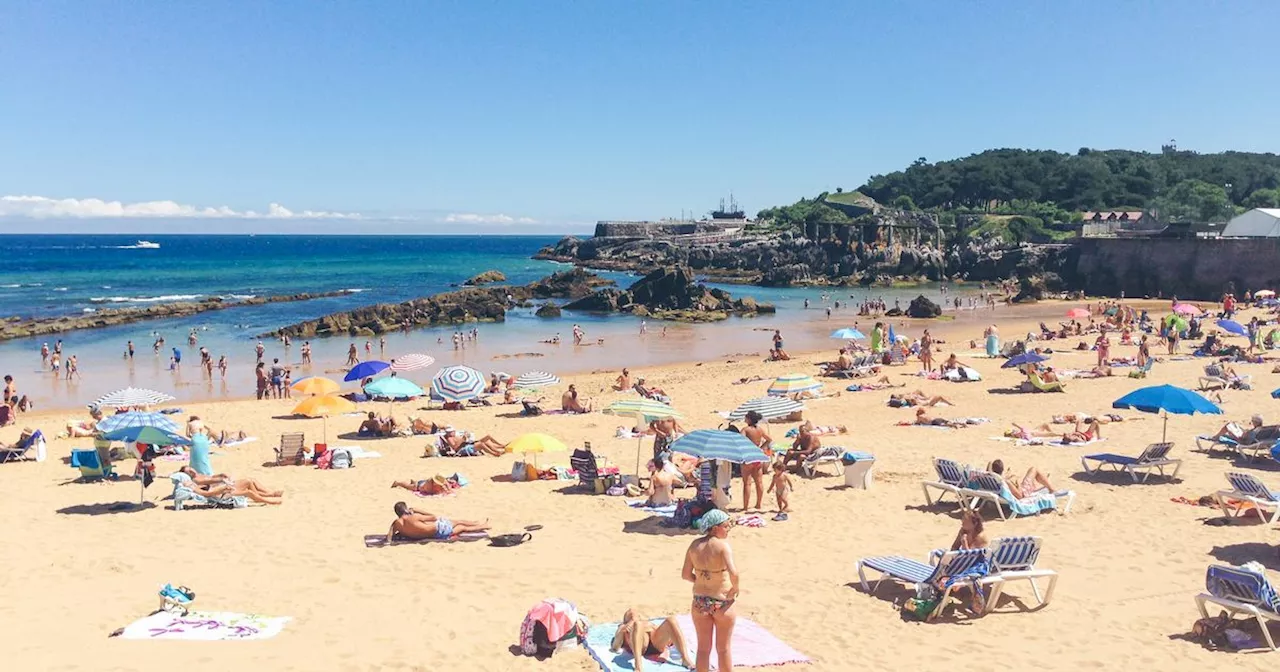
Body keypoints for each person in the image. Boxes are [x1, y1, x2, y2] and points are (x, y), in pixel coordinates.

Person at [682, 509, 738, 672]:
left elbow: (685, 574)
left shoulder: (694, 546)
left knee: (703, 649)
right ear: (715, 528)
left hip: (700, 601)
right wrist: (735, 588)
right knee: (724, 649)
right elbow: (734, 573)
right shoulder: (722, 546)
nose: (728, 529)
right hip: (722, 601)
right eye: (726, 526)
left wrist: (699, 579)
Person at [610, 608, 694, 672]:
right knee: (637, 625)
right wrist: (623, 630)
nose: (633, 613)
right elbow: (615, 647)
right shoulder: (623, 628)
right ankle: (638, 665)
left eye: (636, 614)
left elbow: (667, 636)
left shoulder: (647, 623)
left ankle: (685, 659)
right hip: (640, 647)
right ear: (625, 619)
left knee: (670, 620)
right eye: (630, 614)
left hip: (655, 643)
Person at [387, 502, 490, 542]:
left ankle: (478, 524)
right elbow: (433, 517)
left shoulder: (396, 523)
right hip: (439, 531)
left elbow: (389, 537)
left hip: (427, 535)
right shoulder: (414, 517)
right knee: (461, 525)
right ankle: (481, 525)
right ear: (406, 509)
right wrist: (417, 510)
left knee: (460, 526)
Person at [177, 466, 283, 501]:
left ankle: (269, 493)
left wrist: (221, 474)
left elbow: (212, 477)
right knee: (248, 481)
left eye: (190, 468)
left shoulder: (199, 475)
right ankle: (267, 495)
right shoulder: (197, 480)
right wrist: (223, 479)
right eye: (189, 472)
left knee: (252, 480)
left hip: (223, 485)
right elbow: (211, 481)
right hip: (221, 490)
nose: (192, 471)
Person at [739, 411, 769, 510]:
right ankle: (758, 504)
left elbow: (740, 441)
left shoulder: (745, 430)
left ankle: (745, 507)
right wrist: (761, 448)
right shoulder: (760, 429)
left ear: (749, 419)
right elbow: (769, 439)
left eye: (746, 417)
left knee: (747, 483)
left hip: (748, 456)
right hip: (757, 455)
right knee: (759, 482)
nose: (745, 418)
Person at [989, 459, 1056, 499]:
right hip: (1023, 492)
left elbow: (990, 465)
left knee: (1029, 476)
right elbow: (1019, 496)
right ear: (1002, 469)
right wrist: (1018, 484)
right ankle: (1051, 489)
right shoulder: (1005, 482)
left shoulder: (990, 478)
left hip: (1003, 492)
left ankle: (1042, 483)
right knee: (1033, 469)